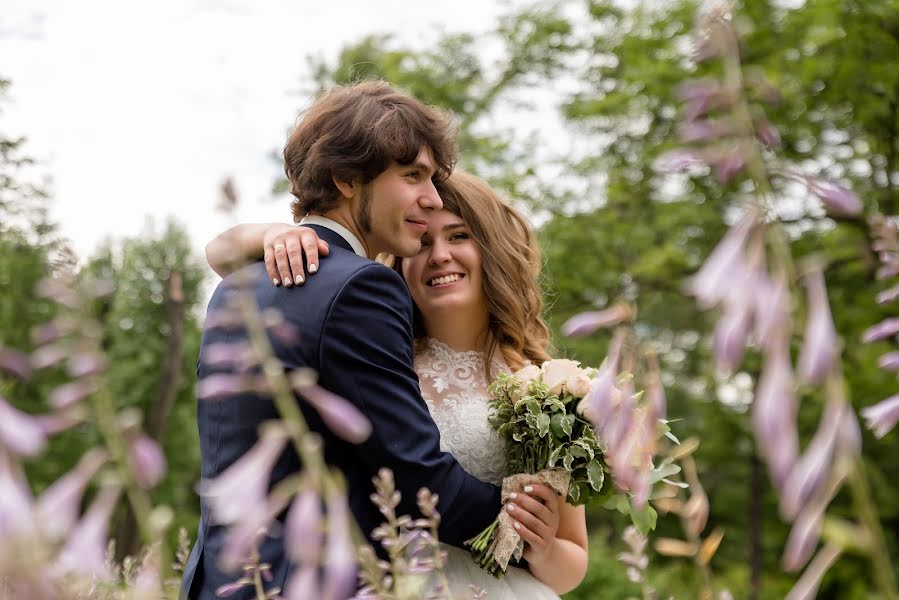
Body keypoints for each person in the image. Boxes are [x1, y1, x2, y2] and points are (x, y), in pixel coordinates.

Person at [182, 81, 556, 600]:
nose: (429, 197)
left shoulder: (237, 285)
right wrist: (521, 521)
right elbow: (418, 481)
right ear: (347, 178)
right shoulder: (363, 285)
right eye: (412, 176)